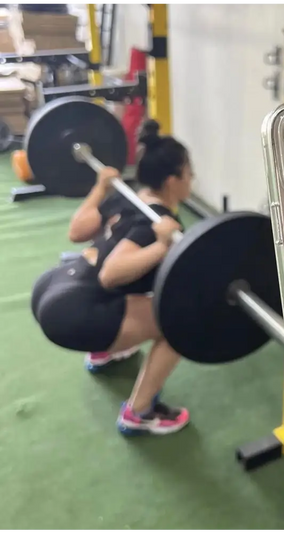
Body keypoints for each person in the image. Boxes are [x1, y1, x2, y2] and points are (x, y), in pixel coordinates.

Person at [31, 121, 194, 436]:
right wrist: (162, 245)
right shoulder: (158, 223)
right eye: (190, 173)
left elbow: (77, 231)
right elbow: (112, 274)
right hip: (74, 315)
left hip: (53, 288)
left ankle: (105, 350)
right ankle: (140, 412)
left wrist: (101, 188)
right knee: (177, 325)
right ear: (173, 181)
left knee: (140, 296)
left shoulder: (126, 198)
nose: (192, 179)